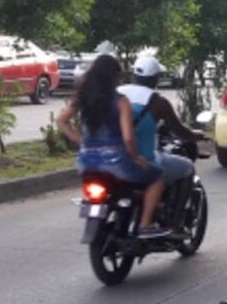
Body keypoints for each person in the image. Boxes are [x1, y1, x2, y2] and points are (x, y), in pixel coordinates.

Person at [56, 54, 168, 238]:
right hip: (117, 163)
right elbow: (128, 139)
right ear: (114, 77)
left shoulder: (83, 97)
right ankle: (146, 224)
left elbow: (61, 121)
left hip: (86, 163)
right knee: (157, 178)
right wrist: (137, 158)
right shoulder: (121, 102)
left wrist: (81, 141)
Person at [118, 56, 208, 234]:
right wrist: (196, 136)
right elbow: (178, 130)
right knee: (187, 168)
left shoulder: (118, 92)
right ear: (155, 78)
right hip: (143, 157)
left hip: (114, 157)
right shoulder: (157, 102)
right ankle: (175, 224)